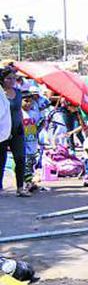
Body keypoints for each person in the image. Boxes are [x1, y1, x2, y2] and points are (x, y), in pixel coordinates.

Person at [0, 68, 28, 196]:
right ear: (2, 79)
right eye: (8, 78)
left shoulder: (18, 92)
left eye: (14, 78)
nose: (12, 81)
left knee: (20, 158)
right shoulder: (1, 94)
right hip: (2, 131)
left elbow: (19, 111)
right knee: (1, 160)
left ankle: (20, 187)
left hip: (17, 131)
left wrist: (22, 124)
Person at [20, 88, 42, 192]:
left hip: (33, 142)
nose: (28, 104)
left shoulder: (34, 113)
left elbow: (38, 126)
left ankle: (29, 181)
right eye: (26, 101)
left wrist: (42, 124)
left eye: (30, 101)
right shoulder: (19, 114)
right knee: (25, 163)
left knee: (32, 162)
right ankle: (26, 183)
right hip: (23, 143)